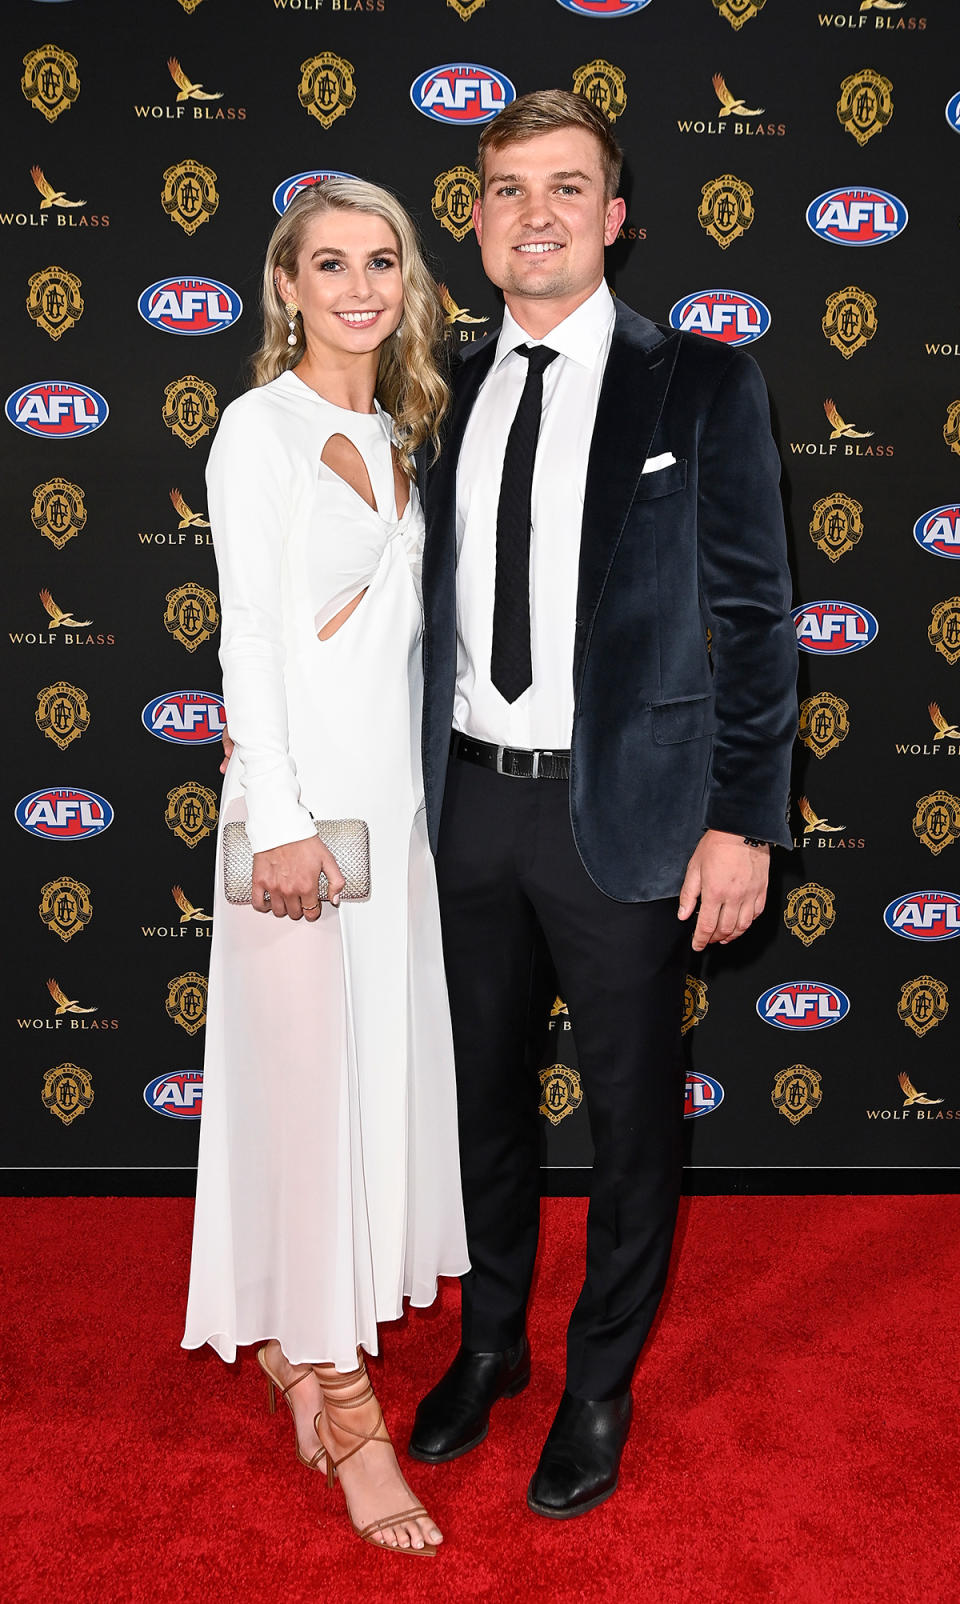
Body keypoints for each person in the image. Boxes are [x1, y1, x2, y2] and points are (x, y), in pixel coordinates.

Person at [408, 91, 798, 1519]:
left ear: (614, 217)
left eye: (568, 187)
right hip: (462, 809)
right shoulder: (433, 387)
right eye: (509, 189)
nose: (538, 213)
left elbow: (756, 624)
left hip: (628, 818)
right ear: (477, 217)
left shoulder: (698, 383)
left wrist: (744, 820)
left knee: (632, 1127)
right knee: (482, 1111)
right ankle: (494, 1345)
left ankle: (596, 1384)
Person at [182, 179, 469, 1557]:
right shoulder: (262, 433)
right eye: (329, 264)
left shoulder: (395, 429)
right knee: (307, 1098)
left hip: (390, 824)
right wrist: (281, 816)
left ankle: (307, 1349)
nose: (359, 287)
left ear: (406, 283)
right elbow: (248, 644)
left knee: (358, 1092)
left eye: (382, 263)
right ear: (285, 285)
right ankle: (345, 1411)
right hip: (300, 829)